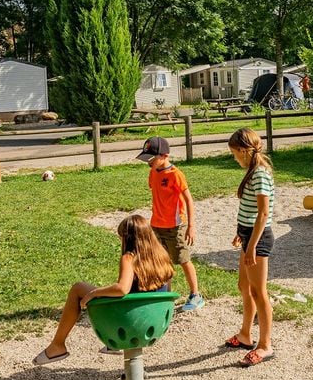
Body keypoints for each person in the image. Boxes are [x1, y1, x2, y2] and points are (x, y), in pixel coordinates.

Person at [33, 213, 174, 364]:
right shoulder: (162, 256)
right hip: (155, 321)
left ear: (128, 238)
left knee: (78, 288)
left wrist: (94, 293)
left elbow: (122, 289)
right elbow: (166, 290)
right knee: (124, 293)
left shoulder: (129, 258)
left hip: (129, 320)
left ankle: (57, 345)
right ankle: (113, 347)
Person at [135, 136, 205, 312]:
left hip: (175, 226)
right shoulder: (153, 172)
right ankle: (166, 295)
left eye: (151, 159)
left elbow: (188, 200)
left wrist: (191, 226)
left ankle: (196, 294)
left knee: (182, 259)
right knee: (162, 261)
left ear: (164, 155)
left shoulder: (176, 175)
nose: (148, 162)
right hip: (157, 225)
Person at [224, 127, 275, 367]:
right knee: (244, 286)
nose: (234, 158)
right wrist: (240, 235)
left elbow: (263, 213)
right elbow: (249, 209)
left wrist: (252, 245)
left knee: (258, 291)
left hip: (259, 238)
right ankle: (245, 335)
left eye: (235, 153)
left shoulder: (260, 174)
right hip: (248, 235)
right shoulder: (252, 171)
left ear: (244, 151)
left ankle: (265, 345)